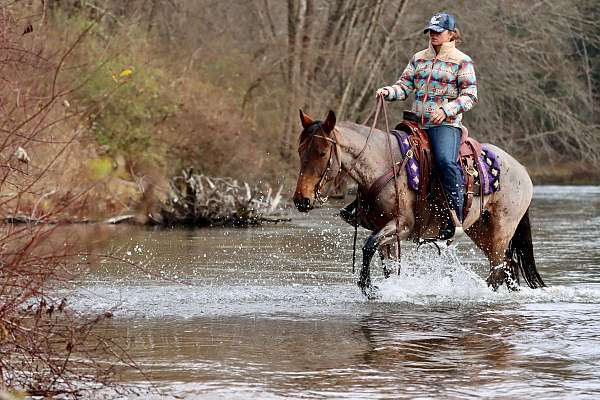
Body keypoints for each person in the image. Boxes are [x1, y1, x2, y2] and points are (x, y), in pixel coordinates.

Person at [341, 12, 477, 241]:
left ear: (451, 34)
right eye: (431, 31)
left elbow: (470, 96)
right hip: (415, 123)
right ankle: (362, 207)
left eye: (438, 31)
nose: (433, 35)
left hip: (445, 125)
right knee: (387, 157)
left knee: (444, 161)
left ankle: (455, 215)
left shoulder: (462, 61)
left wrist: (445, 110)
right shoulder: (419, 58)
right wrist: (388, 91)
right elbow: (404, 87)